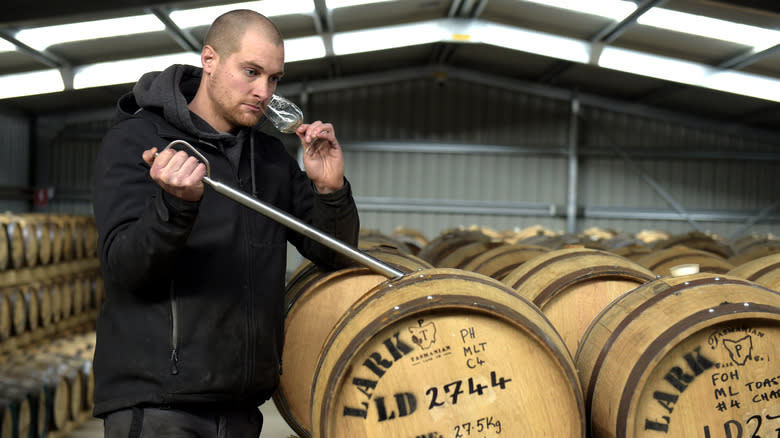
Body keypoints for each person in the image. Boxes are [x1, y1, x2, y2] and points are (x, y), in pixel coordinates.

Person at [91, 9, 359, 437]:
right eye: (251, 72)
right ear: (210, 59)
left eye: (274, 79)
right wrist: (175, 206)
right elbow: (125, 269)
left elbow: (335, 254)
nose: (263, 92)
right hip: (160, 405)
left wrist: (330, 189)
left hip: (240, 407)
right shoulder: (139, 141)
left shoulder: (270, 158)